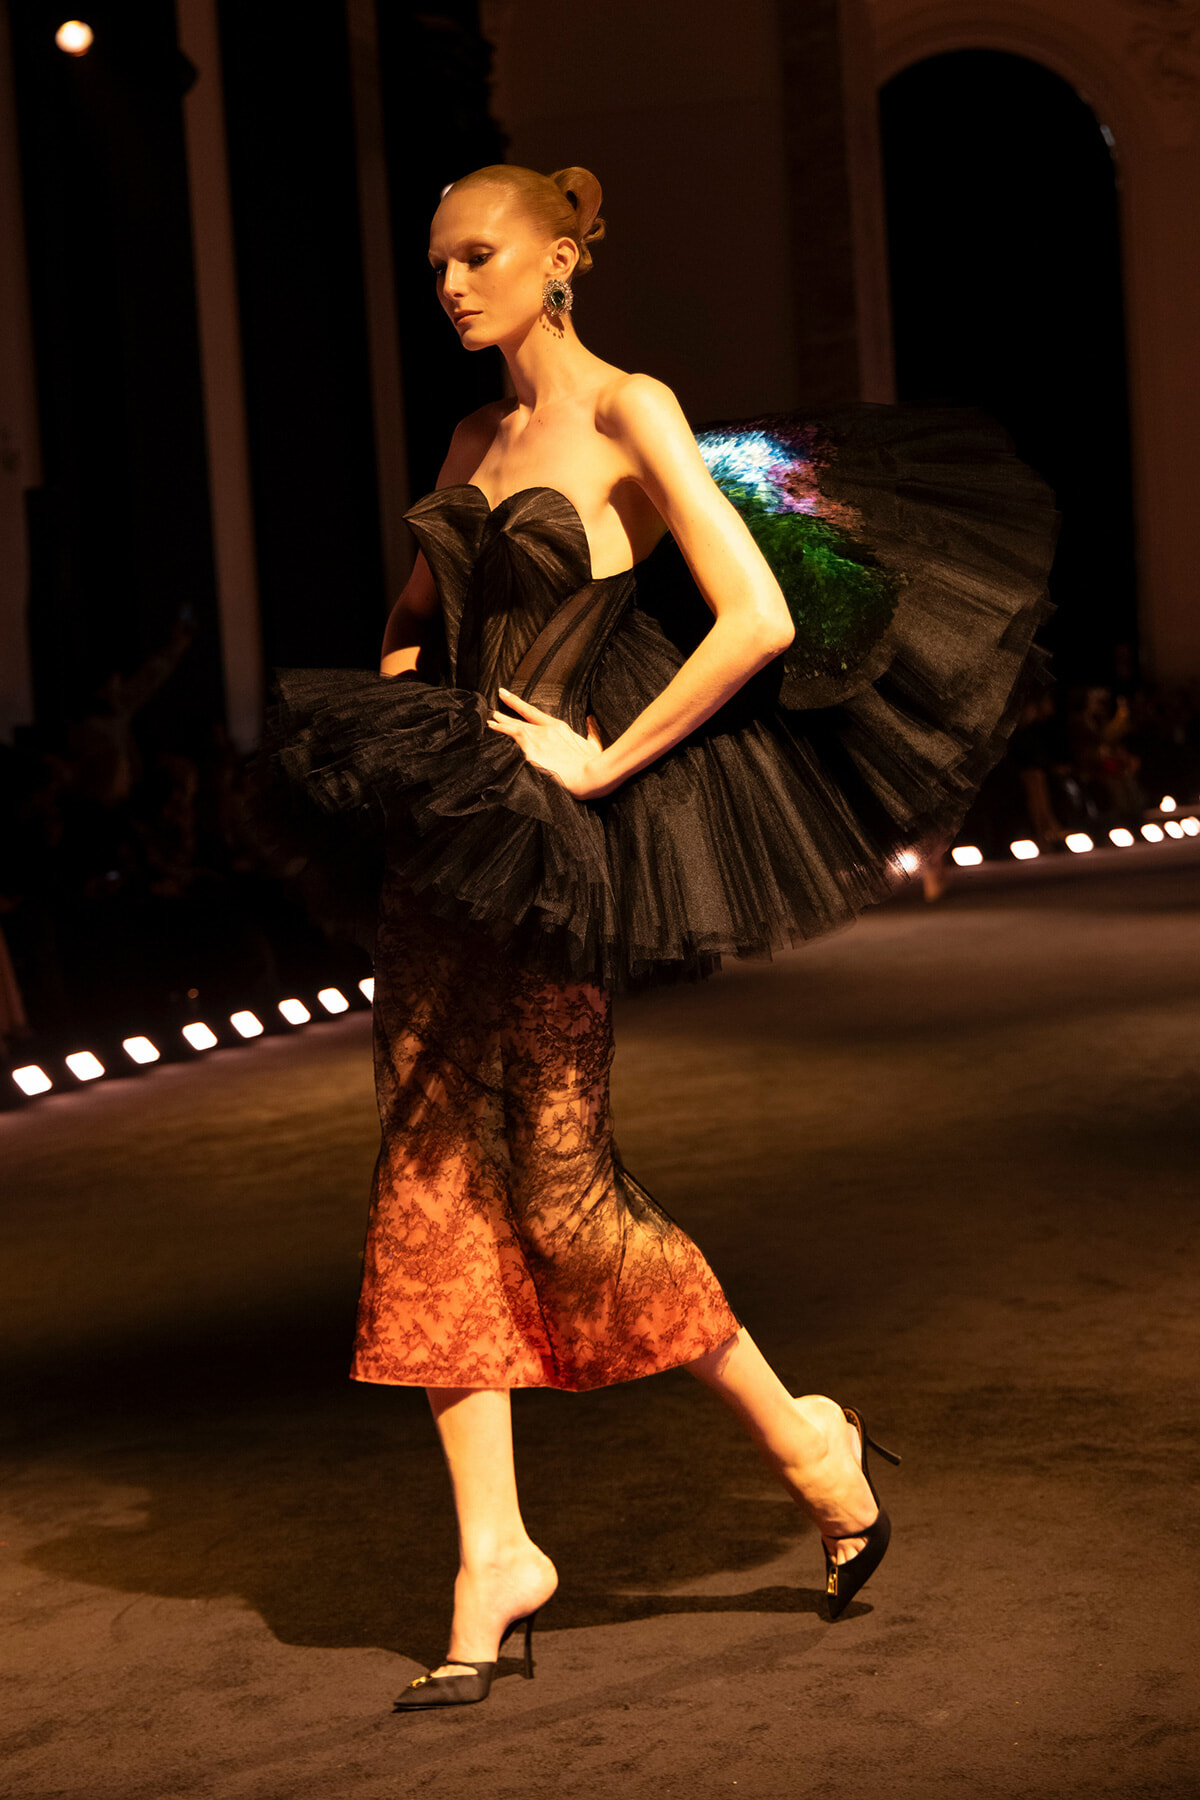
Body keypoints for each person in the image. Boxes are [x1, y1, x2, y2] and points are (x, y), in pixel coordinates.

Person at [254, 163, 1058, 1709]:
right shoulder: (472, 437)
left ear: (559, 259)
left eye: (476, 257)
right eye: (434, 266)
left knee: (562, 1198)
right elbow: (419, 620)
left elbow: (752, 614)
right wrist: (395, 730)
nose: (449, 286)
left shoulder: (632, 410)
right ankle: (493, 1552)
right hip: (442, 846)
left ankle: (810, 1441)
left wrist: (604, 763)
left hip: (553, 850)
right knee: (425, 1182)